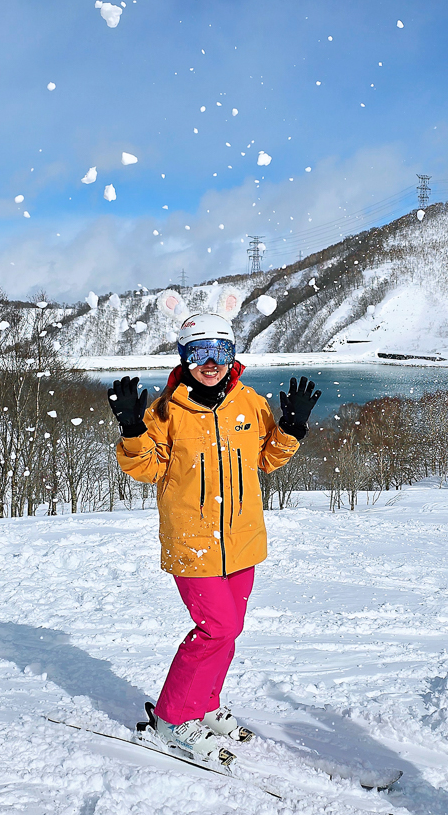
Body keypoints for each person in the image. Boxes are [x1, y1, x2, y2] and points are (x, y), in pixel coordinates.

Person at [108, 312, 320, 764]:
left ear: (232, 355)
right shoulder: (165, 410)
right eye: (199, 352)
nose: (211, 362)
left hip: (242, 541)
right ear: (185, 357)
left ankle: (202, 703)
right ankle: (172, 717)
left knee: (229, 630)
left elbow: (267, 460)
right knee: (217, 628)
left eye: (220, 351)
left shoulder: (250, 404)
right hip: (193, 541)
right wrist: (131, 430)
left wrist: (292, 430)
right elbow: (146, 468)